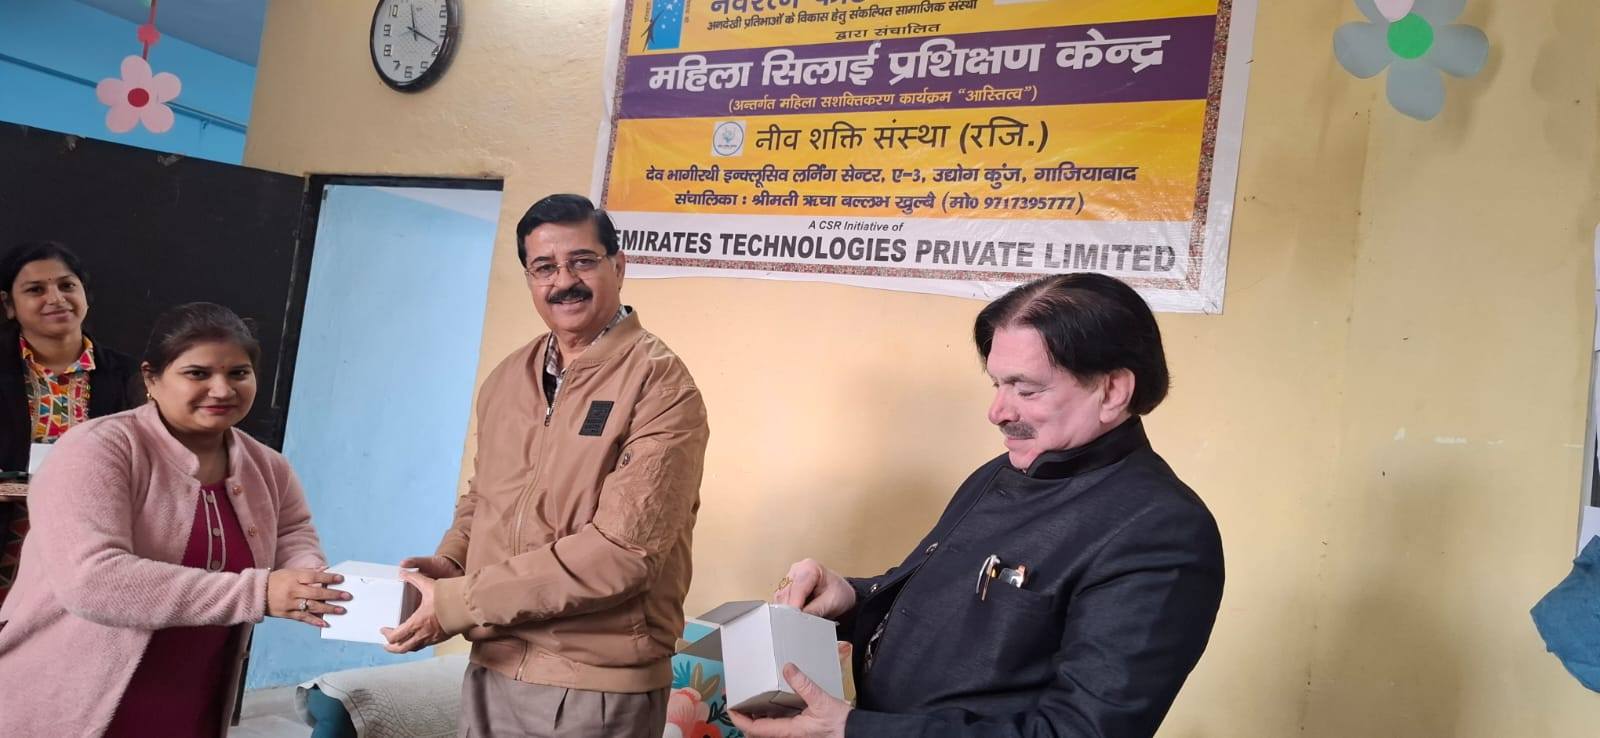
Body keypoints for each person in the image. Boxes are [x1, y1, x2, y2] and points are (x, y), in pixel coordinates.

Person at [737, 273, 1225, 738]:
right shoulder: (1004, 470)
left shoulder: (1161, 530)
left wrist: (852, 729)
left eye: (1025, 389)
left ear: (1113, 390)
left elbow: (1080, 731)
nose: (998, 412)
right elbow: (949, 607)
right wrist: (853, 597)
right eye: (997, 384)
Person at [386, 194, 710, 738]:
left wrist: (459, 602)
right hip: (492, 666)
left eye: (582, 261)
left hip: (595, 687)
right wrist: (452, 561)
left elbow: (622, 555)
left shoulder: (661, 386)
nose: (564, 281)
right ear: (530, 279)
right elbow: (485, 498)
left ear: (618, 265)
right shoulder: (509, 377)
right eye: (544, 267)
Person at [0, 302, 348, 737]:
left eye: (238, 373)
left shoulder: (268, 467)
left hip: (193, 698)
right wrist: (259, 592)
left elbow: (292, 532)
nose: (222, 389)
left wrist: (307, 579)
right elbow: (92, 581)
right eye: (198, 373)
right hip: (66, 702)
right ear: (152, 378)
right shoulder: (97, 450)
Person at [0, 241, 141, 607]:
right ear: (9, 305)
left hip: (89, 551)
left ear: (85, 295)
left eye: (67, 285)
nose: (56, 298)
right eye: (35, 290)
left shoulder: (130, 375)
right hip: (9, 542)